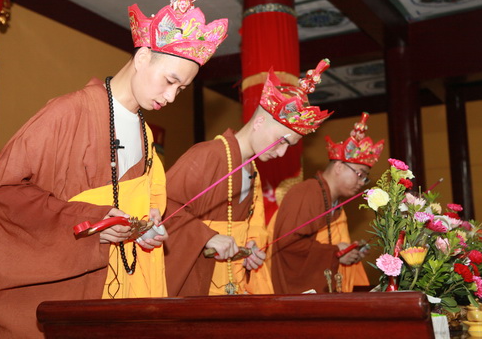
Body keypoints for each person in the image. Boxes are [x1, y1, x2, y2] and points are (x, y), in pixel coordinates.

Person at [0, 0, 228, 337]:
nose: (172, 97)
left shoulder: (143, 132)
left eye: (183, 89)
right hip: (62, 295)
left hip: (115, 296)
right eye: (170, 81)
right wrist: (89, 222)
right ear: (142, 57)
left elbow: (126, 208)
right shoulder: (68, 112)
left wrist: (141, 230)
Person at [163, 60, 332, 296]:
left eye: (289, 147)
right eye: (282, 140)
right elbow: (162, 209)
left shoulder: (251, 171)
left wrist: (248, 249)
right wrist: (206, 238)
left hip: (228, 285)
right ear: (260, 120)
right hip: (193, 285)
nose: (282, 152)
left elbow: (237, 229)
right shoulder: (208, 155)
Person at [269, 112, 384, 294]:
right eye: (360, 174)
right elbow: (287, 245)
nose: (362, 183)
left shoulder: (333, 201)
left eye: (365, 179)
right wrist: (334, 252)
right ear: (338, 167)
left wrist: (347, 253)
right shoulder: (306, 193)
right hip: (295, 292)